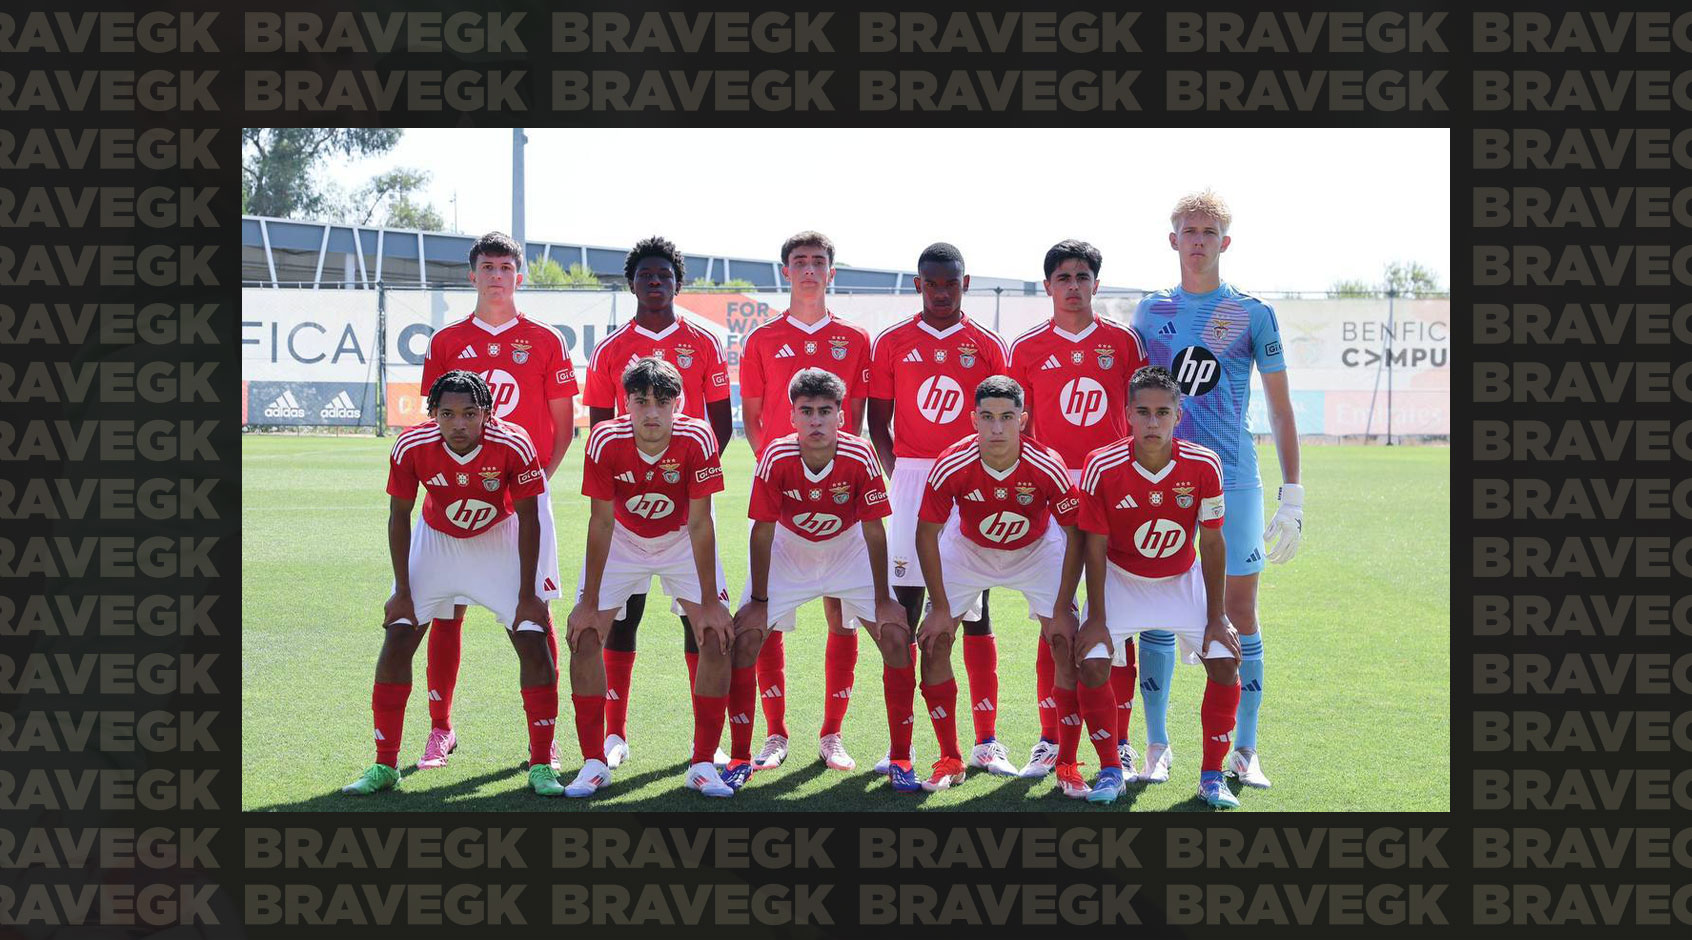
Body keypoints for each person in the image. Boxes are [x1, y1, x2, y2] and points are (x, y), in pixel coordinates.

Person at [1131, 190, 1300, 789]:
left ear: (1224, 242)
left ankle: (1244, 750)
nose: (1198, 240)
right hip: (1163, 480)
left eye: (1208, 231)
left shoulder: (1251, 314)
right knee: (1155, 607)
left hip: (1234, 480)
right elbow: (1133, 399)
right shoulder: (1150, 312)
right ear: (1172, 239)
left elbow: (1280, 409)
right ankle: (1156, 746)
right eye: (1188, 230)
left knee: (1239, 611)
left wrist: (1293, 493)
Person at [344, 370, 563, 797]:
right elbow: (398, 516)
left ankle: (541, 763)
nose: (458, 424)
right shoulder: (411, 445)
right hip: (437, 540)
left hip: (498, 538)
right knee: (398, 635)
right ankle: (385, 764)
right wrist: (402, 591)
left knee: (532, 636)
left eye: (469, 413)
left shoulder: (514, 443)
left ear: (487, 413)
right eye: (447, 414)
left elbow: (530, 518)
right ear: (433, 414)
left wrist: (527, 594)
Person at [416, 232, 576, 771]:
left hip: (520, 502)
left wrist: (535, 483)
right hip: (455, 496)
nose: (497, 276)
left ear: (519, 276)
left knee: (534, 614)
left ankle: (544, 740)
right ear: (473, 276)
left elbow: (562, 425)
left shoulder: (545, 340)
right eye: (488, 267)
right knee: (446, 610)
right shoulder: (446, 341)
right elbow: (433, 421)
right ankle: (440, 728)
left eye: (506, 267)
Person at [581, 236, 735, 770]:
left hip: (686, 504)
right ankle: (614, 734)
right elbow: (601, 429)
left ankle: (705, 745)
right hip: (625, 510)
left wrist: (683, 478)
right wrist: (634, 481)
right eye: (645, 275)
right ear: (632, 283)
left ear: (677, 283)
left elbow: (720, 424)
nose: (654, 282)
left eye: (664, 275)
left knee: (701, 621)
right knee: (622, 620)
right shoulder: (610, 349)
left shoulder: (704, 342)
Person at [867, 242, 1016, 777]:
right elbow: (877, 421)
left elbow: (1006, 419)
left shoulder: (988, 345)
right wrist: (900, 475)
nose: (941, 293)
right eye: (931, 284)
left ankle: (986, 741)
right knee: (905, 609)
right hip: (912, 478)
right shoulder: (892, 342)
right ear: (918, 285)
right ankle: (901, 744)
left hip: (971, 478)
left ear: (964, 283)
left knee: (975, 609)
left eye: (950, 283)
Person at [724, 368, 910, 791]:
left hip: (847, 548)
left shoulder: (860, 455)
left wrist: (884, 599)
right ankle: (744, 754)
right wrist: (758, 601)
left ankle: (895, 756)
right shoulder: (775, 456)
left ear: (841, 417)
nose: (815, 420)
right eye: (806, 411)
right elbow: (763, 531)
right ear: (792, 416)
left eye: (825, 411)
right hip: (790, 547)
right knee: (747, 637)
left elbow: (874, 529)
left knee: (896, 636)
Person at [1007, 238, 1149, 781]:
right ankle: (1051, 740)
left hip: (1111, 490)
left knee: (1118, 621)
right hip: (1051, 492)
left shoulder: (1123, 343)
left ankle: (1122, 741)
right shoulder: (1026, 348)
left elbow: (1140, 415)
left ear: (1096, 284)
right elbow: (1019, 429)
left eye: (1082, 276)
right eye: (1063, 277)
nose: (1073, 286)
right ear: (1048, 286)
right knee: (1057, 619)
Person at [562, 357, 735, 798]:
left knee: (715, 636)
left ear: (679, 403)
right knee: (585, 636)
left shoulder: (698, 437)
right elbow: (601, 521)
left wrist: (711, 602)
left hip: (680, 538)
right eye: (641, 401)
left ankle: (702, 763)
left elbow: (701, 522)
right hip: (623, 538)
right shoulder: (604, 439)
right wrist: (589, 602)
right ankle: (593, 763)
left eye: (662, 402)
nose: (651, 412)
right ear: (626, 403)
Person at [738, 231, 874, 773]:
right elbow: (753, 418)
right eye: (800, 261)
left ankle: (832, 734)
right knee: (767, 616)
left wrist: (834, 479)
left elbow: (857, 418)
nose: (810, 269)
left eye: (819, 261)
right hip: (783, 498)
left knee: (842, 616)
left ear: (831, 272)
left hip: (840, 499)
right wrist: (783, 476)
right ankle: (775, 734)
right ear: (786, 272)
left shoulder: (855, 338)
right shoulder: (762, 338)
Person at [912, 376, 1088, 794]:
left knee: (1065, 640)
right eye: (987, 417)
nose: (996, 428)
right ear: (973, 419)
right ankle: (951, 759)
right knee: (934, 640)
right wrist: (939, 606)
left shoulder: (1047, 463)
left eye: (1007, 417)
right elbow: (926, 534)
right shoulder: (952, 462)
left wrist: (1062, 606)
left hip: (1035, 549)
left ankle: (1066, 764)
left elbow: (1076, 534)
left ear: (1022, 420)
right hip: (969, 549)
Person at [1076, 366, 1242, 807]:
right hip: (1122, 578)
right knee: (1092, 661)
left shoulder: (1204, 464)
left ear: (1178, 415)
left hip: (1180, 579)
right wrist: (1096, 617)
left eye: (1163, 412)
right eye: (1143, 412)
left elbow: (1212, 540)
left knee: (1225, 660)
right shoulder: (1101, 465)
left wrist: (1217, 616)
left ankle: (1212, 777)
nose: (1153, 422)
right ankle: (1111, 770)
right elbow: (1094, 545)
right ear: (1127, 414)